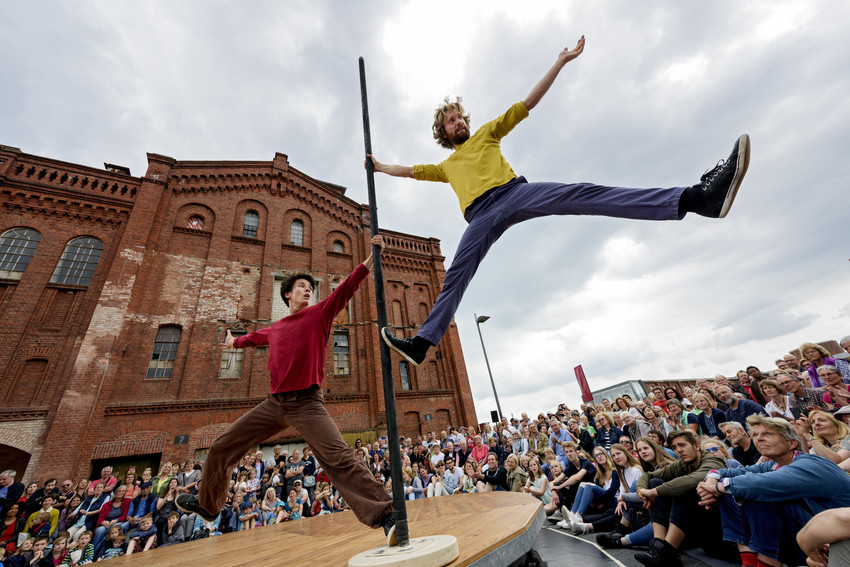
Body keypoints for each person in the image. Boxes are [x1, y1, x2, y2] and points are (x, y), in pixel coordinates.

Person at [372, 37, 750, 367]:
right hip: (480, 217)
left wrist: (561, 61)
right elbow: (410, 171)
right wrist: (379, 167)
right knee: (456, 272)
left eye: (459, 117)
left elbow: (529, 101)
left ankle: (696, 199)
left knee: (582, 193)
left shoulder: (487, 132)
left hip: (515, 193)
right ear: (443, 133)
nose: (458, 123)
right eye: (450, 122)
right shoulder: (446, 165)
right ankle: (422, 344)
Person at [176, 235, 397, 545]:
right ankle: (209, 506)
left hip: (307, 402)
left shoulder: (320, 313)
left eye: (311, 287)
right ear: (287, 295)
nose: (308, 289)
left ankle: (387, 516)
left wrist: (372, 257)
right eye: (302, 286)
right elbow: (251, 338)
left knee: (340, 458)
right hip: (273, 404)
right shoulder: (276, 328)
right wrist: (232, 342)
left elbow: (348, 286)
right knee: (219, 448)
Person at [697, 415, 850, 567]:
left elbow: (759, 484)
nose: (759, 439)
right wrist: (711, 480)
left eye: (767, 434)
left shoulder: (808, 463)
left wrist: (716, 487)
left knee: (758, 494)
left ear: (791, 443)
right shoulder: (773, 465)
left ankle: (765, 563)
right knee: (736, 491)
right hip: (816, 533)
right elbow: (725, 472)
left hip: (838, 537)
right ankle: (749, 561)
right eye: (755, 435)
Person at [632, 430, 727, 567]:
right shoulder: (683, 464)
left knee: (684, 488)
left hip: (719, 533)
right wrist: (642, 490)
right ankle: (659, 546)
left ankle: (667, 552)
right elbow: (648, 476)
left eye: (682, 445)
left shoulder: (713, 461)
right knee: (655, 482)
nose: (679, 450)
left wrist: (654, 492)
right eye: (675, 448)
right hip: (697, 530)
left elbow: (694, 480)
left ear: (696, 445)